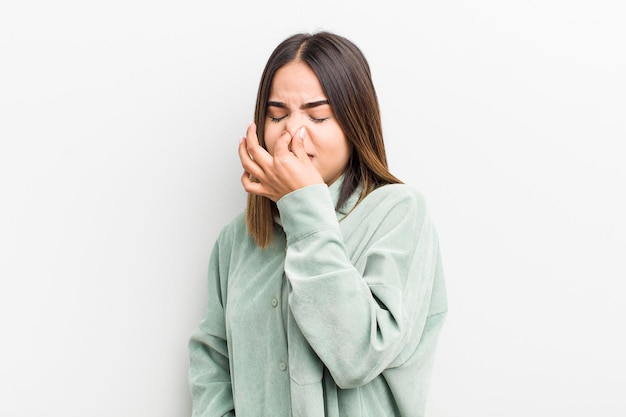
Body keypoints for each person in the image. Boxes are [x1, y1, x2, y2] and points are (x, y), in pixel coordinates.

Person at [188, 31, 447, 417]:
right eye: (277, 115)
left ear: (354, 123)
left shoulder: (399, 213)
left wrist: (303, 207)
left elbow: (358, 354)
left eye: (318, 115)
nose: (292, 132)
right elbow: (214, 360)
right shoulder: (236, 240)